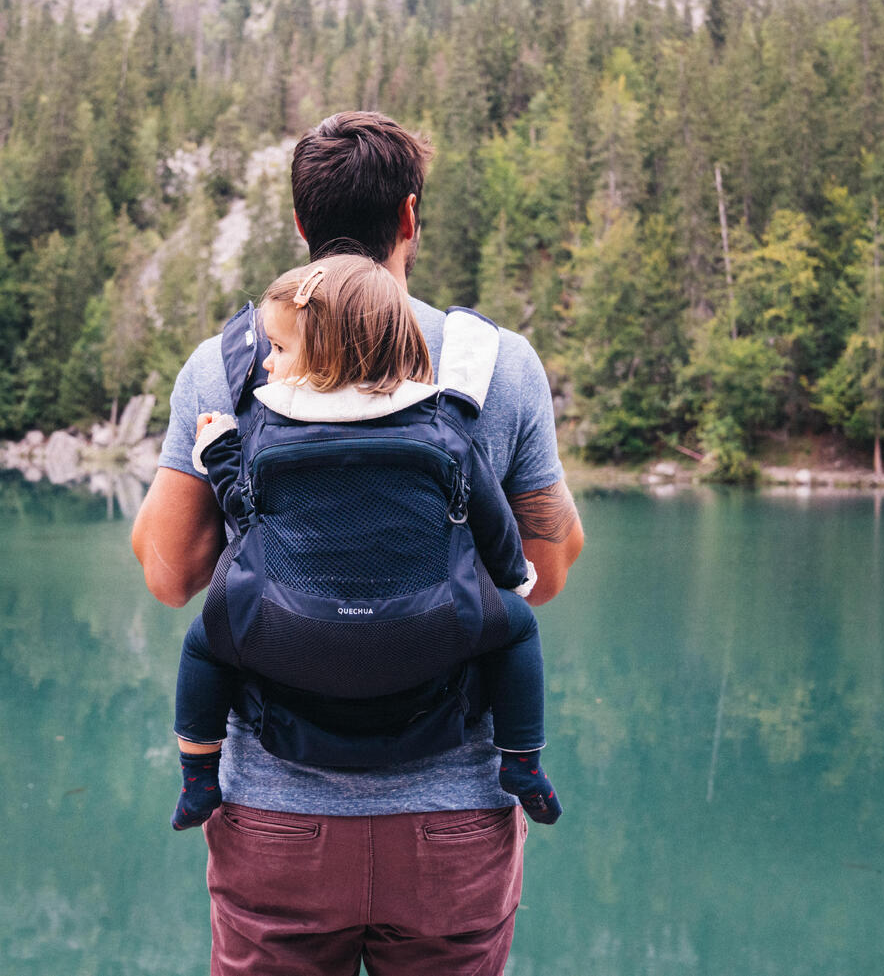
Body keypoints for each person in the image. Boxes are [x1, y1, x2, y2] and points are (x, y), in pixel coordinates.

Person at [132, 110, 585, 975]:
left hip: (273, 817)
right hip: (452, 821)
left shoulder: (230, 362)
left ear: (301, 227)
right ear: (410, 218)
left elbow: (168, 574)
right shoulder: (499, 364)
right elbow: (545, 575)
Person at [168, 254, 561, 832]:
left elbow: (242, 515)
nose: (268, 367)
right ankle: (523, 762)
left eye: (278, 350)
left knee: (204, 645)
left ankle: (200, 777)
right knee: (519, 628)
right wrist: (515, 576)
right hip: (427, 633)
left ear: (329, 354)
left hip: (287, 633)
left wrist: (219, 451)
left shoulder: (266, 435)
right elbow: (493, 522)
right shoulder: (444, 431)